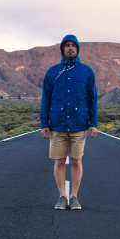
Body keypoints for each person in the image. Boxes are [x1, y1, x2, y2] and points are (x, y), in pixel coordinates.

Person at [40, 35, 98, 210]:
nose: (70, 48)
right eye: (67, 45)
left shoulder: (87, 72)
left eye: (73, 45)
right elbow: (46, 99)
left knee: (76, 160)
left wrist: (93, 122)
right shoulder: (52, 72)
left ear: (77, 48)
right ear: (62, 49)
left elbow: (92, 99)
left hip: (79, 124)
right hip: (57, 124)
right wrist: (44, 123)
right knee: (59, 161)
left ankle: (74, 197)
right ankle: (61, 196)